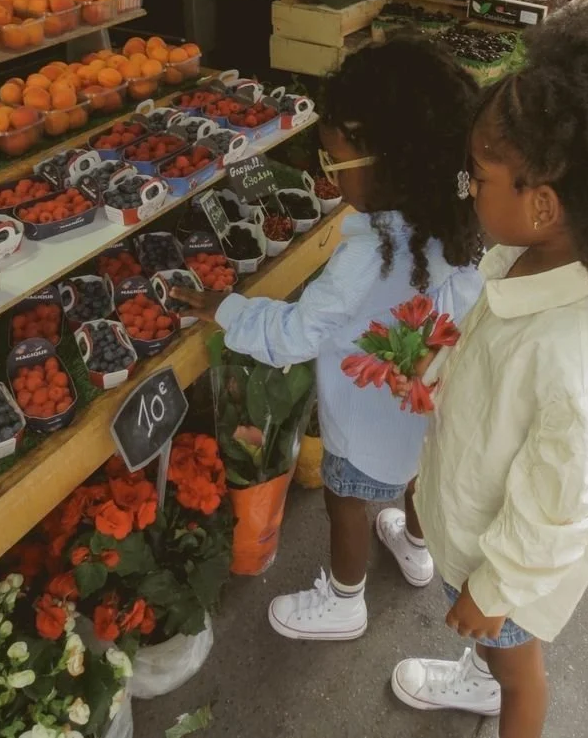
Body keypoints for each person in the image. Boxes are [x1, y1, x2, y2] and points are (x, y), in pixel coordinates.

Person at [391, 0, 588, 737]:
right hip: (477, 517)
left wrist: (497, 587)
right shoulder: (519, 261)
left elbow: (559, 505)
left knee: (520, 671)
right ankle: (480, 675)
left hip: (508, 565)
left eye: (478, 177)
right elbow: (487, 374)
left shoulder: (573, 358)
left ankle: (500, 695)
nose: (468, 188)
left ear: (540, 204)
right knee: (493, 649)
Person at [173, 36, 484, 642]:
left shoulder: (362, 261)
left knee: (346, 498)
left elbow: (295, 335)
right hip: (428, 410)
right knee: (420, 477)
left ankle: (345, 599)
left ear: (385, 164)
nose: (325, 175)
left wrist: (227, 309)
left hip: (363, 422)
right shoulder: (453, 220)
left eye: (331, 165)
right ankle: (418, 548)